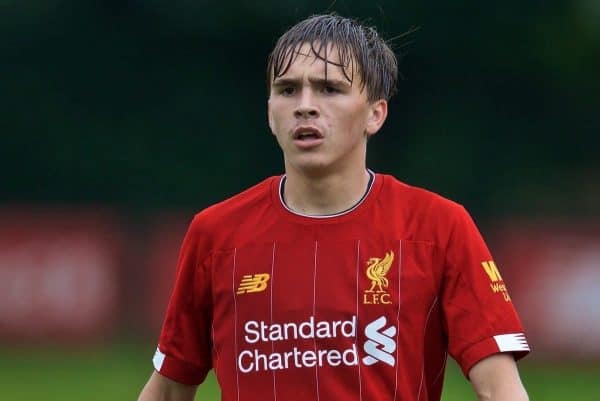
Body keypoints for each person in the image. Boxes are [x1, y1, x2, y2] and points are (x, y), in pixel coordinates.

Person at [138, 13, 530, 401]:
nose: (305, 106)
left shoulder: (437, 228)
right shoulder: (217, 235)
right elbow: (170, 390)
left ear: (375, 114)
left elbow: (500, 391)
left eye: (329, 89)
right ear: (270, 113)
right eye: (288, 89)